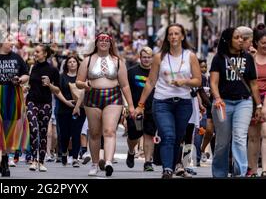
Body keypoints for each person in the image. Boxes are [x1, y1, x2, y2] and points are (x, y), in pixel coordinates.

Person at [134, 23, 201, 179]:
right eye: (170, 34)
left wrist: (184, 82)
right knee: (168, 135)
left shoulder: (190, 56)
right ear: (167, 38)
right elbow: (150, 82)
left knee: (178, 137)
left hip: (184, 103)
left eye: (177, 33)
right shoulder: (160, 57)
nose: (173, 37)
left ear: (182, 36)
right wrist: (140, 105)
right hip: (162, 101)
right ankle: (167, 170)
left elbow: (198, 80)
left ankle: (176, 165)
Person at [76, 32, 135, 177]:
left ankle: (108, 161)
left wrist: (131, 105)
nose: (103, 43)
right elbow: (78, 82)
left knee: (109, 131)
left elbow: (125, 85)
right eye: (100, 40)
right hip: (92, 97)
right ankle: (95, 163)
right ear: (96, 43)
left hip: (113, 97)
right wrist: (85, 84)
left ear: (110, 43)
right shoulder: (87, 60)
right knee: (95, 133)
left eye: (106, 40)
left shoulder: (118, 61)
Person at [210, 27, 263, 177]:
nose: (241, 40)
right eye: (237, 37)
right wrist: (218, 98)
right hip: (223, 104)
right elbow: (213, 82)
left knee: (240, 137)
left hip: (243, 103)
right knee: (222, 141)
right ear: (228, 40)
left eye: (242, 37)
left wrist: (258, 105)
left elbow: (253, 84)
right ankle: (220, 173)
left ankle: (239, 172)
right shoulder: (219, 58)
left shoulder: (247, 58)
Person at [0, 35, 29, 177]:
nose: (13, 43)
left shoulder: (16, 57)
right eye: (9, 40)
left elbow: (26, 74)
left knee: (7, 130)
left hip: (11, 97)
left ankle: (3, 159)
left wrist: (20, 79)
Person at [26, 44, 73, 173]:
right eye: (35, 52)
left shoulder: (52, 70)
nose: (35, 54)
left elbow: (58, 89)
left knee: (42, 131)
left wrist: (49, 85)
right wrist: (26, 87)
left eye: (37, 52)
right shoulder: (32, 67)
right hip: (31, 101)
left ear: (45, 54)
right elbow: (30, 84)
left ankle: (41, 161)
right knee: (33, 129)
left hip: (45, 103)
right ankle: (33, 160)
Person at [126, 46, 156, 172]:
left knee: (149, 135)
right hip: (135, 109)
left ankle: (148, 162)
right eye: (144, 57)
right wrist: (127, 106)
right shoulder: (131, 71)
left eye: (149, 57)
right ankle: (131, 151)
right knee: (134, 136)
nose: (146, 60)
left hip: (152, 108)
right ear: (140, 57)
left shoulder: (156, 72)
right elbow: (124, 88)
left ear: (152, 58)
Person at [57, 56, 86, 168]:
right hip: (64, 109)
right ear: (66, 64)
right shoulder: (61, 77)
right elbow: (57, 92)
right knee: (64, 134)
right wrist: (66, 102)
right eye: (70, 62)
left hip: (79, 109)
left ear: (78, 64)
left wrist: (77, 106)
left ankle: (75, 158)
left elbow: (84, 92)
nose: (72, 63)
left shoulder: (81, 78)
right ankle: (64, 152)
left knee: (76, 133)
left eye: (74, 62)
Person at [246, 26, 266, 177]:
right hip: (251, 99)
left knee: (265, 133)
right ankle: (252, 169)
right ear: (257, 43)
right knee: (253, 136)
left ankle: (265, 169)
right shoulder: (250, 59)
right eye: (264, 43)